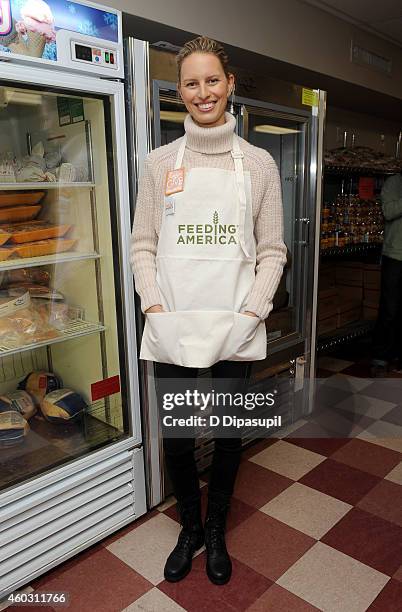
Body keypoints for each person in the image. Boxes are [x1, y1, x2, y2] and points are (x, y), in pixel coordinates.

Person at [131, 36, 286, 585]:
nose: (203, 92)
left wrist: (252, 312)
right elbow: (142, 243)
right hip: (174, 322)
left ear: (230, 85)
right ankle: (189, 526)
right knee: (176, 434)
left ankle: (216, 527)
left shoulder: (260, 164)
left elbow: (272, 250)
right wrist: (153, 303)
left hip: (234, 325)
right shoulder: (159, 163)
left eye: (212, 80)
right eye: (192, 83)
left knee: (224, 435)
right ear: (180, 92)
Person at [371, 171, 402, 376]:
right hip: (395, 256)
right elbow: (388, 211)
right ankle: (381, 357)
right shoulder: (393, 182)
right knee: (390, 308)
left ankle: (397, 353)